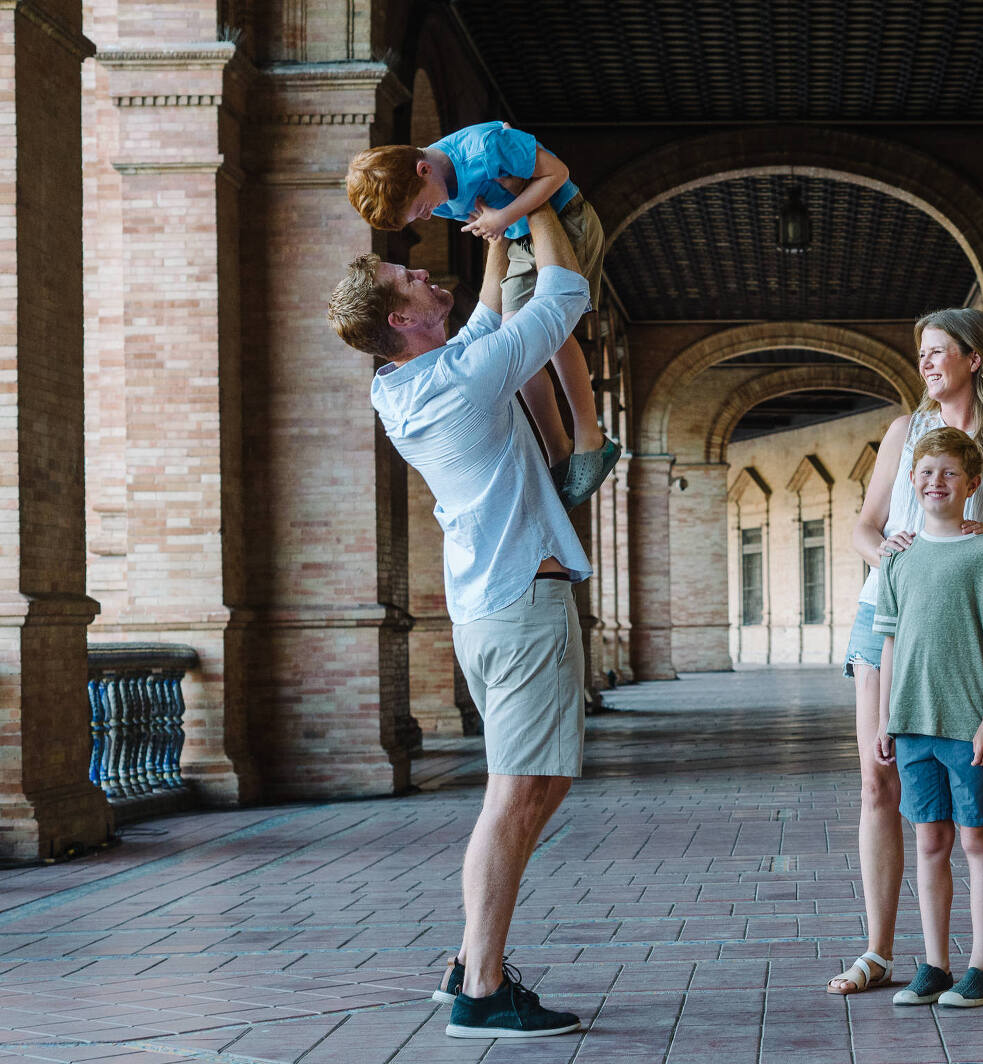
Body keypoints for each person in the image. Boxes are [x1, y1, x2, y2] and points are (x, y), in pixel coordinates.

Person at [327, 205, 589, 1039]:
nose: (421, 269)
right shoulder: (461, 382)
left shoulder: (403, 382)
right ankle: (480, 986)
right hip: (519, 607)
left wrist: (498, 242)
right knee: (514, 797)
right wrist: (538, 207)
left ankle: (469, 960)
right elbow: (563, 297)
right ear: (402, 319)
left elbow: (481, 320)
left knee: (537, 785)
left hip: (494, 607)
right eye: (407, 278)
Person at [829, 307, 983, 996]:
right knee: (877, 780)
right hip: (887, 617)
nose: (925, 363)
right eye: (920, 353)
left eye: (938, 351)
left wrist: (977, 551)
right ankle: (879, 951)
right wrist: (891, 553)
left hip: (969, 624)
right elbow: (864, 527)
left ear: (975, 357)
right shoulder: (906, 433)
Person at [345, 120, 619, 508]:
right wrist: (502, 225)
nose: (427, 217)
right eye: (418, 216)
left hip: (566, 221)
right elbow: (490, 218)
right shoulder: (434, 188)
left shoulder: (484, 149)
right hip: (522, 237)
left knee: (554, 332)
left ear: (423, 170)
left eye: (422, 208)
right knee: (524, 341)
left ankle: (588, 438)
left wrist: (504, 219)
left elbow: (557, 174)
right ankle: (558, 450)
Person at [874, 427, 983, 1008]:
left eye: (948, 473)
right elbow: (888, 642)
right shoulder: (899, 558)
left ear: (972, 484)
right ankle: (936, 965)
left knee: (976, 840)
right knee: (930, 842)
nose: (936, 482)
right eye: (925, 472)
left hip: (969, 725)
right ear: (912, 482)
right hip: (913, 723)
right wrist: (886, 720)